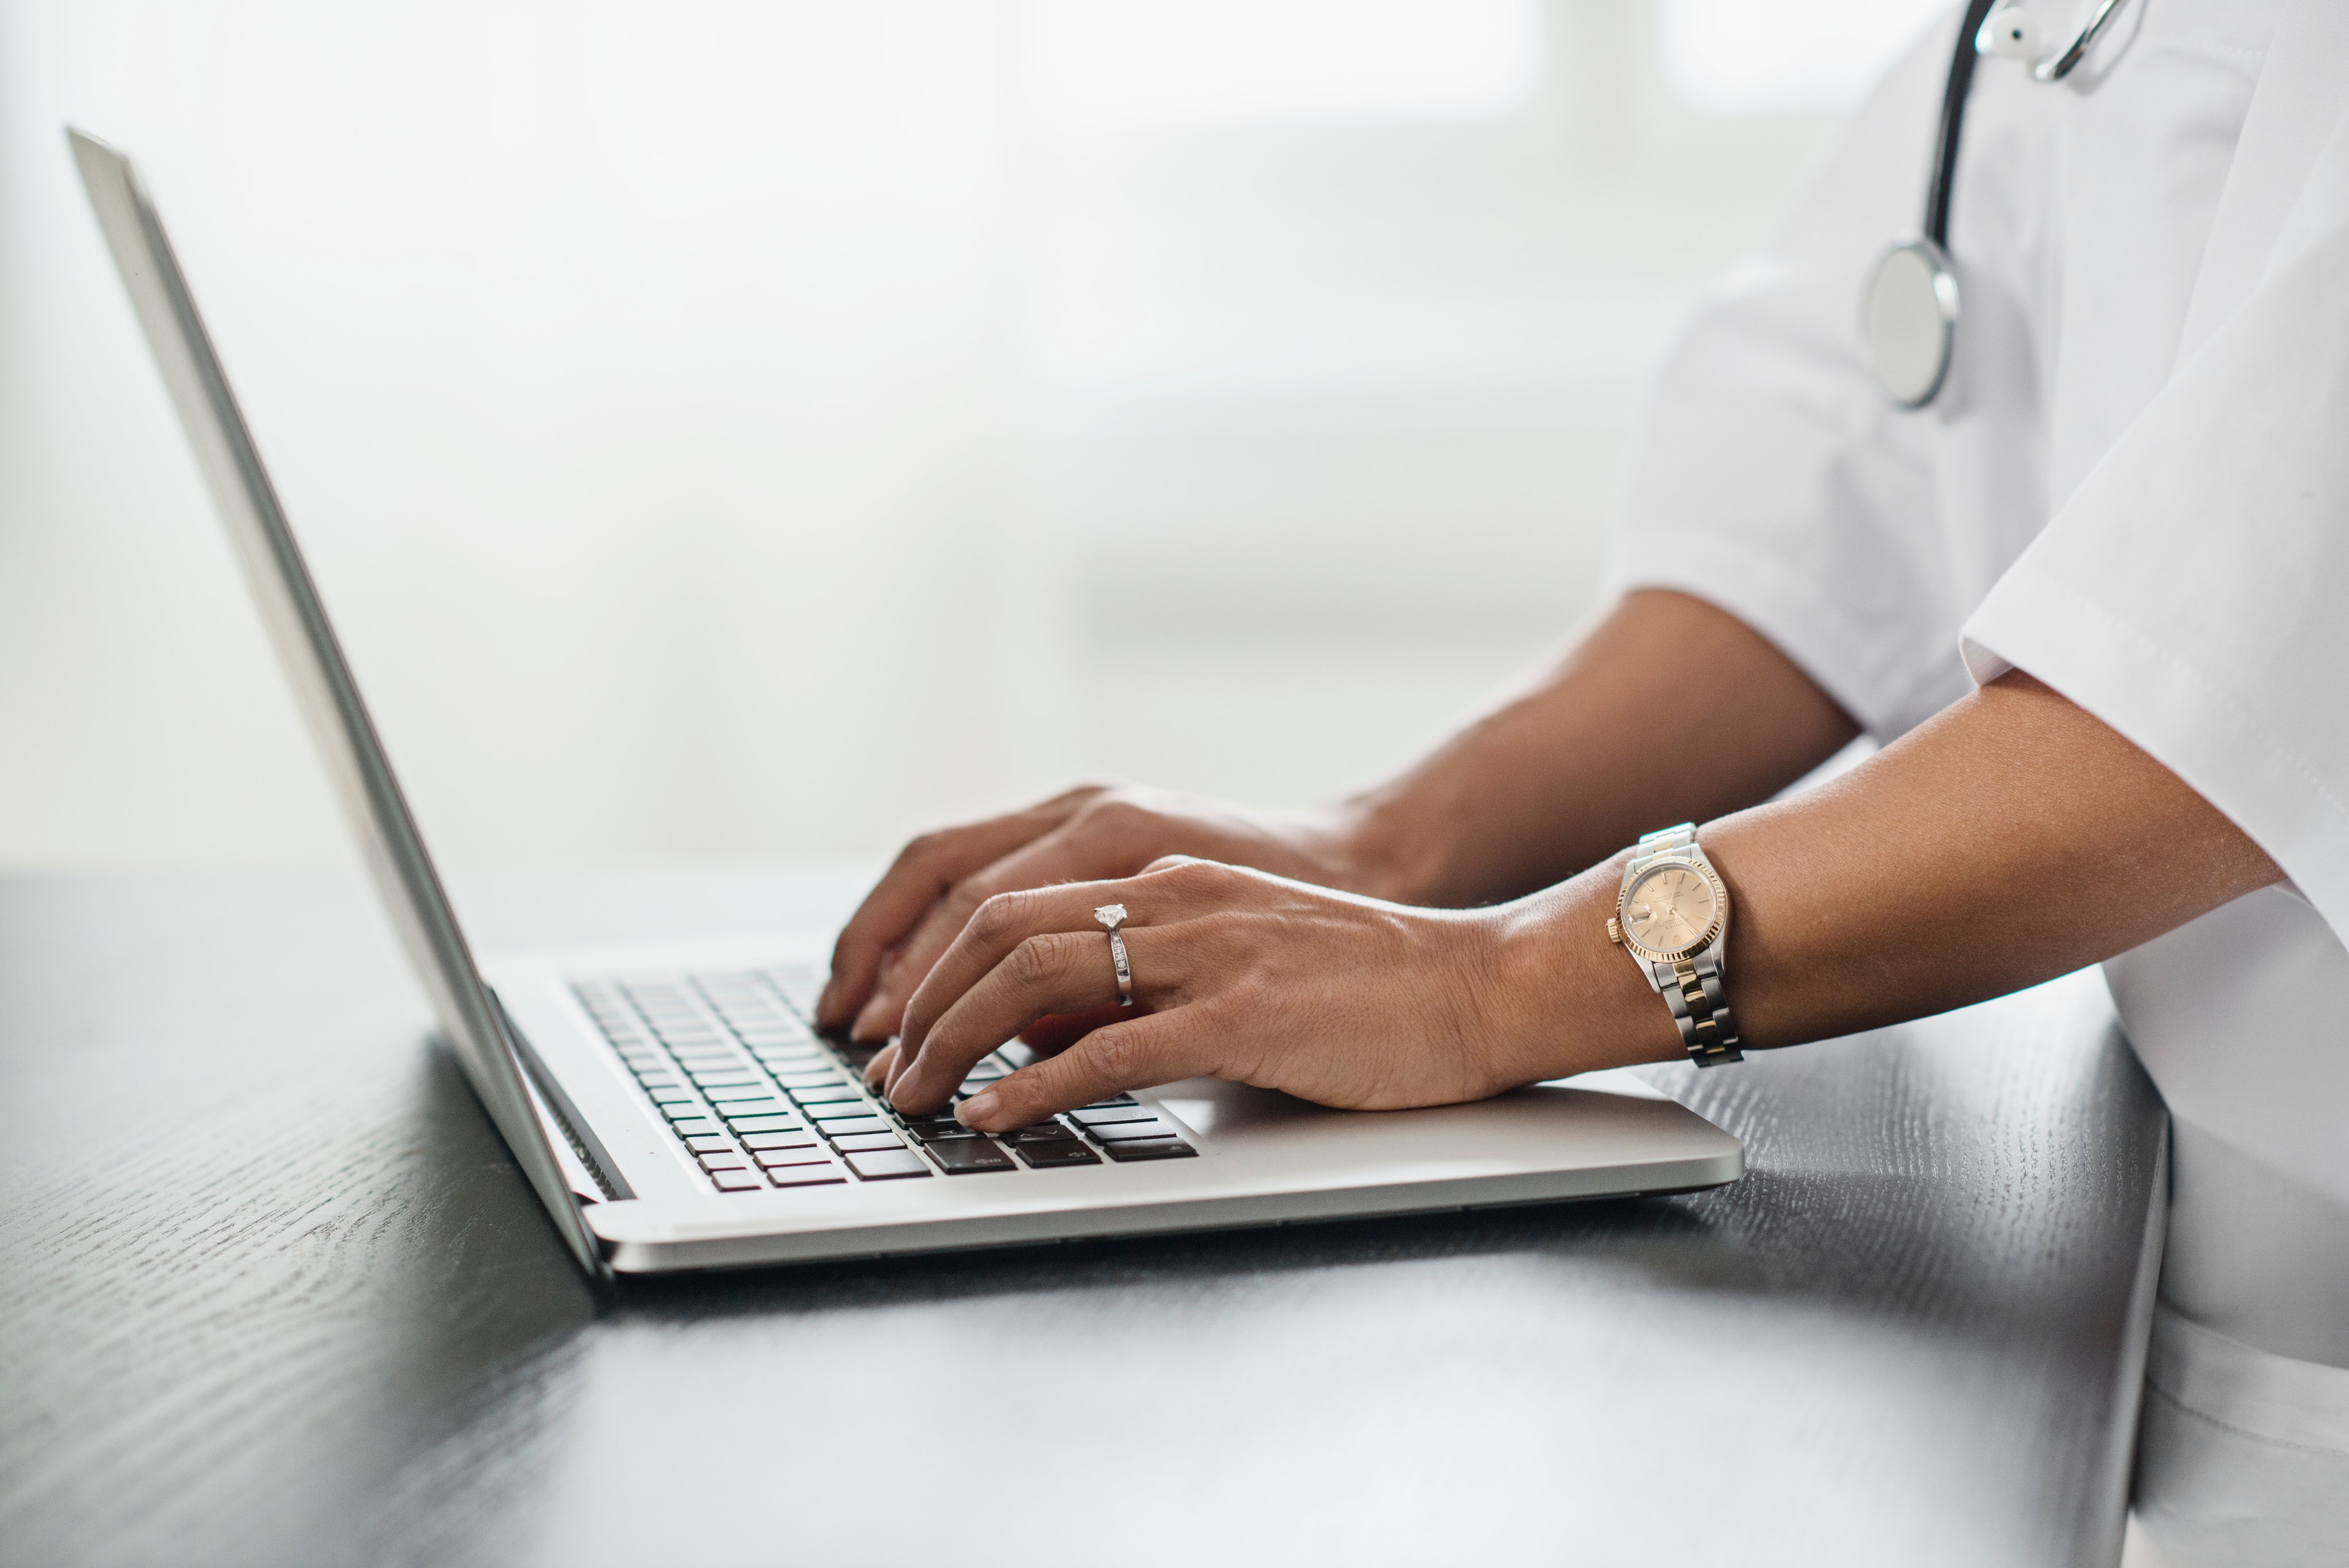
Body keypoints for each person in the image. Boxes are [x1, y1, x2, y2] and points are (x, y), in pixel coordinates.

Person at [817, 3, 2349, 1561]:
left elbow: (2234, 682)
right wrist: (1380, 849)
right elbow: (1855, 483)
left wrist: (1490, 987)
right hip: (2218, 1341)